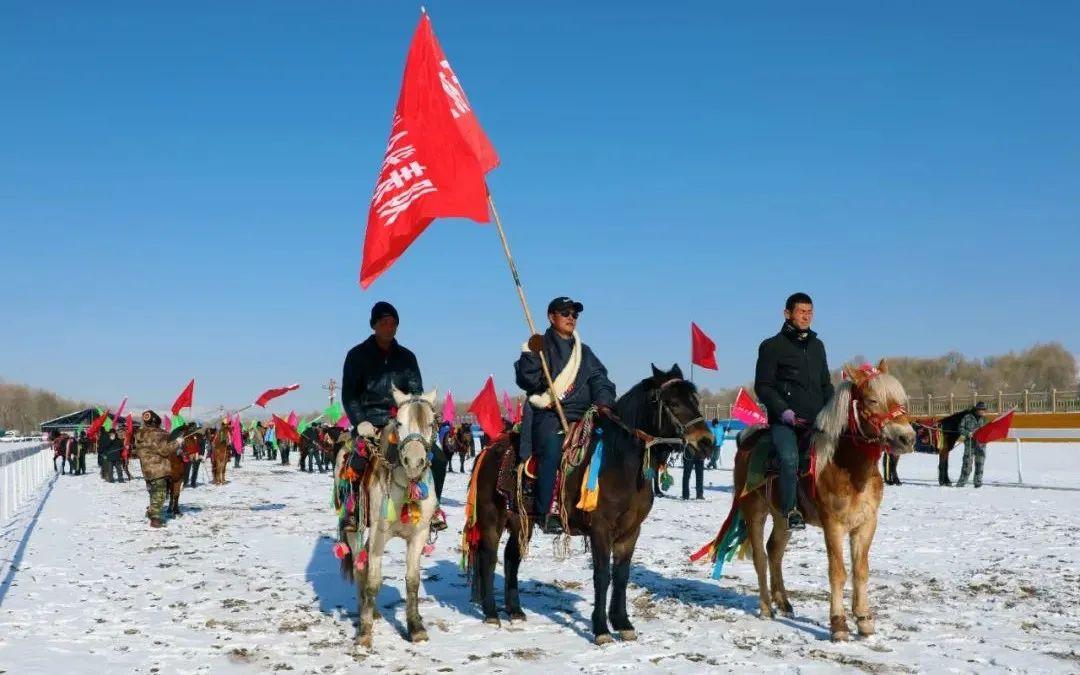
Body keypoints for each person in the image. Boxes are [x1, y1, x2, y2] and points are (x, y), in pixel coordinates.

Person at [515, 296, 616, 534]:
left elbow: (600, 379)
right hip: (550, 414)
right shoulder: (540, 345)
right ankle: (544, 511)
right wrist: (530, 354)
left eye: (575, 314)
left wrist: (603, 402)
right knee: (552, 448)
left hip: (584, 417)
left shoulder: (586, 353)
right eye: (565, 313)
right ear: (552, 317)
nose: (571, 318)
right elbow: (526, 381)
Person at [342, 301, 446, 530]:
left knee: (438, 459)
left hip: (402, 424)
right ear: (374, 325)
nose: (390, 327)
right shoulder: (356, 356)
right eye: (385, 322)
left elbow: (416, 392)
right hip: (370, 422)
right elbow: (349, 395)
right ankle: (353, 510)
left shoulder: (407, 357)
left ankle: (433, 508)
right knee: (356, 460)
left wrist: (418, 417)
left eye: (394, 323)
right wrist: (361, 422)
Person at [754, 292, 834, 531]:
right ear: (787, 313)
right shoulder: (771, 346)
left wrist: (832, 410)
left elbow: (825, 384)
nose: (806, 316)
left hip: (817, 421)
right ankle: (791, 510)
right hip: (785, 423)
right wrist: (783, 411)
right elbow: (763, 386)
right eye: (801, 311)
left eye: (810, 312)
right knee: (789, 459)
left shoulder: (818, 346)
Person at [133, 410, 177, 528]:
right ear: (156, 421)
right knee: (160, 494)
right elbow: (165, 450)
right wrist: (177, 442)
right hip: (159, 468)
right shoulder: (158, 434)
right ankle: (156, 519)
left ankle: (151, 512)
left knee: (153, 492)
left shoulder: (139, 434)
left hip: (147, 469)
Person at [956, 402, 989, 488]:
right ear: (977, 409)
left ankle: (978, 483)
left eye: (983, 410)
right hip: (970, 444)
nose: (982, 411)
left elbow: (988, 431)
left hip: (981, 445)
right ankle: (961, 483)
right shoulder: (967, 417)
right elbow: (960, 428)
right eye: (981, 409)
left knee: (980, 464)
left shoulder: (985, 420)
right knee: (967, 464)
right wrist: (967, 433)